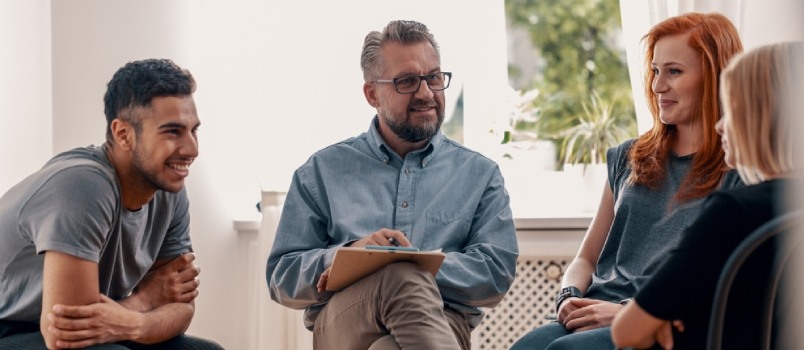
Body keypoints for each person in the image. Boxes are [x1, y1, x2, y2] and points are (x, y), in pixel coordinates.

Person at [266, 20, 518, 350]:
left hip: (442, 323)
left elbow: (495, 275)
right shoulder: (321, 171)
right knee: (400, 278)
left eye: (434, 77)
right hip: (344, 323)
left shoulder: (480, 174)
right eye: (408, 82)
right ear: (372, 93)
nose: (426, 93)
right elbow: (282, 277)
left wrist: (403, 262)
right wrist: (350, 256)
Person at [510, 12, 744, 350]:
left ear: (715, 76)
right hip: (591, 310)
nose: (657, 86)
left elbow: (718, 286)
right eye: (655, 71)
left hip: (658, 324)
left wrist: (625, 312)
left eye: (674, 71)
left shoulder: (736, 172)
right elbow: (586, 258)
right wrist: (568, 296)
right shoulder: (628, 156)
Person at [0, 59, 222, 349]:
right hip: (10, 329)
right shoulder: (82, 184)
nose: (192, 149)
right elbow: (65, 335)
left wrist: (137, 323)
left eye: (193, 130)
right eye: (172, 132)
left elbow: (181, 309)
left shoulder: (169, 188)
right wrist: (146, 300)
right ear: (123, 134)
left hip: (96, 319)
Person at [612, 40, 804, 350]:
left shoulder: (734, 211)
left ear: (764, 116)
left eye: (731, 111)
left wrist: (672, 314)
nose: (718, 126)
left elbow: (626, 332)